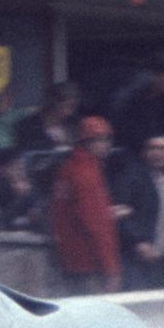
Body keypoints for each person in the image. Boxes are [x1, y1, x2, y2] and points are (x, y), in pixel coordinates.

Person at [49, 117, 122, 293]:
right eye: (101, 140)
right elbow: (96, 224)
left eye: (107, 139)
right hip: (90, 262)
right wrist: (111, 268)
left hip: (69, 259)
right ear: (87, 142)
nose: (107, 145)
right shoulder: (87, 173)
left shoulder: (68, 167)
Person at [111, 134, 164, 290]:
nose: (160, 153)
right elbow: (120, 215)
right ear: (144, 152)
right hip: (134, 259)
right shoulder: (131, 178)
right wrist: (138, 241)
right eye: (154, 148)